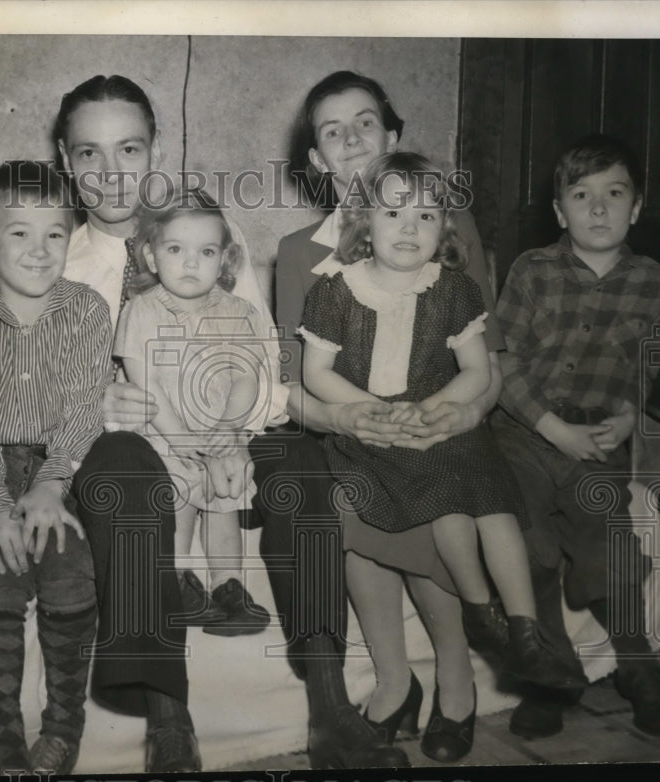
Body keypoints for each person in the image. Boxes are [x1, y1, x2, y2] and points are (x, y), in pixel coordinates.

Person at [57, 74, 408, 771]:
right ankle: (168, 721)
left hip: (224, 437)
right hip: (130, 449)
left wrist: (238, 427)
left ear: (153, 151)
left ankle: (332, 708)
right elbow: (33, 384)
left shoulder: (216, 239)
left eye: (127, 149)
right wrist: (94, 404)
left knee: (301, 462)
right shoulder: (55, 260)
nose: (110, 173)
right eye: (88, 155)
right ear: (67, 163)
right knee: (128, 468)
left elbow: (262, 365)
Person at [300, 151, 588, 707]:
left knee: (490, 497)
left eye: (427, 216)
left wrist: (439, 406)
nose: (410, 228)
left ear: (445, 229)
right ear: (364, 222)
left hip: (440, 418)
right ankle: (480, 609)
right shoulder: (335, 290)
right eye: (393, 214)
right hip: (368, 431)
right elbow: (316, 374)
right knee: (448, 506)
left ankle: (522, 632)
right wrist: (373, 412)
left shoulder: (454, 290)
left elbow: (478, 371)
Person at [275, 70, 505, 763]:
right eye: (332, 131)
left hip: (443, 418)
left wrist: (457, 420)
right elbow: (296, 389)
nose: (352, 140)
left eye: (366, 122)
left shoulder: (445, 223)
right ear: (317, 161)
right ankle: (395, 681)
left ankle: (457, 678)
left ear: (394, 135)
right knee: (343, 490)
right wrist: (352, 423)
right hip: (350, 429)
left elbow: (489, 365)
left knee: (432, 480)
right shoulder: (297, 255)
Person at [492, 134, 660, 739]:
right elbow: (503, 365)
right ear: (559, 211)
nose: (598, 209)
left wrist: (628, 416)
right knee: (529, 546)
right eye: (582, 195)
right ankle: (551, 675)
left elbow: (644, 367)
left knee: (611, 545)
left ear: (637, 206)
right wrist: (550, 427)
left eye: (614, 193)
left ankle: (637, 665)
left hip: (599, 438)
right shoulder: (533, 270)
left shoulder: (657, 285)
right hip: (524, 429)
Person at [0, 161, 112, 774]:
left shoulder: (87, 310)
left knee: (69, 567)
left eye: (55, 234)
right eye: (19, 233)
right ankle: (4, 748)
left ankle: (63, 728)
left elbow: (85, 405)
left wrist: (51, 485)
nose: (39, 251)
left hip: (59, 467)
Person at [115, 189, 275, 635]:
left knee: (225, 494)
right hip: (162, 432)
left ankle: (230, 589)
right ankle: (180, 581)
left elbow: (247, 378)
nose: (190, 263)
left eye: (206, 252)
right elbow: (143, 383)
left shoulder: (238, 312)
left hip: (219, 430)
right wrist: (184, 439)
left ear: (225, 261)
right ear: (150, 255)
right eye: (175, 249)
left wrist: (228, 428)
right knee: (179, 487)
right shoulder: (142, 309)